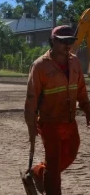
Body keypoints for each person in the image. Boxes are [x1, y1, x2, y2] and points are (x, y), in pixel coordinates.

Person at [24, 25, 90, 194]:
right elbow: (31, 98)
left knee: (71, 154)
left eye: (71, 41)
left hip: (69, 120)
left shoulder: (74, 62)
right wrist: (31, 125)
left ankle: (39, 171)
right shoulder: (40, 66)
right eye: (63, 41)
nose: (68, 45)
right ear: (53, 41)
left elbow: (81, 88)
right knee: (53, 168)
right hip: (50, 123)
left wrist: (87, 109)